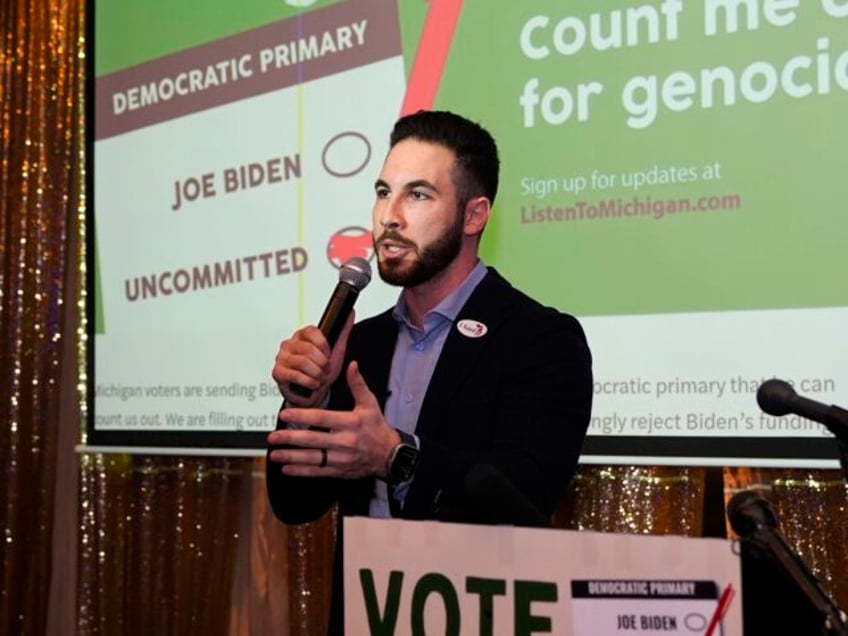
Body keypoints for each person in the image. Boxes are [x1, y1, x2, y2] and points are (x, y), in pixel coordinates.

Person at [266, 109, 593, 633]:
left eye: (418, 195)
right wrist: (312, 400)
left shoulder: (540, 339)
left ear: (474, 215)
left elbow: (526, 495)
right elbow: (293, 503)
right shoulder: (361, 343)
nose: (389, 216)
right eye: (382, 192)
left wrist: (396, 456)